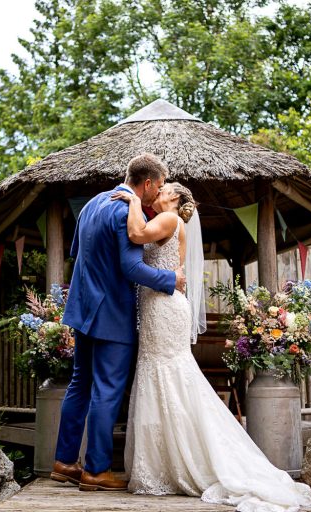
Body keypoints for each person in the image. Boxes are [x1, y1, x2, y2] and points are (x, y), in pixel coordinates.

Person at [112, 183, 311, 512]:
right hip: (159, 308)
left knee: (168, 377)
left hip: (164, 309)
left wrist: (134, 199)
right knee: (164, 377)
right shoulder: (169, 222)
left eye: (165, 190)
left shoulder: (168, 220)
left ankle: (180, 462)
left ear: (177, 201)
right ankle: (163, 463)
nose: (160, 191)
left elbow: (136, 235)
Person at [50, 153, 187, 492]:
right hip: (112, 312)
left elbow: (78, 254)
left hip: (82, 308)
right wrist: (172, 279)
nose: (158, 196)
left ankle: (65, 462)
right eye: (158, 189)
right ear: (148, 183)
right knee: (106, 391)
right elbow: (131, 269)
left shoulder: (91, 205)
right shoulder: (126, 211)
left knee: (79, 384)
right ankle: (96, 470)